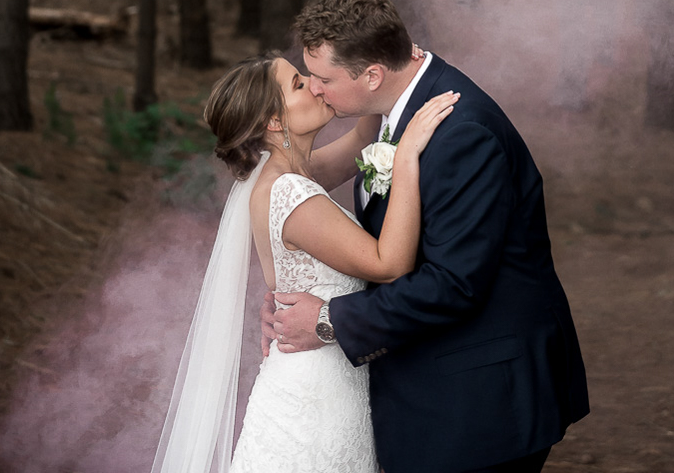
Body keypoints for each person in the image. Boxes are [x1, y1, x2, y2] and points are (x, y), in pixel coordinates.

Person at [267, 0, 590, 473]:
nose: (315, 88)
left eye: (323, 78)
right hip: (437, 384)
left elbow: (454, 283)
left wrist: (329, 319)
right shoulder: (395, 107)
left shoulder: (461, 134)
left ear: (372, 74)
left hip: (481, 397)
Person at [150, 49, 459, 473]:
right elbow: (389, 264)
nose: (315, 85)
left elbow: (361, 137)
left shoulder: (290, 173)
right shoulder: (292, 194)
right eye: (299, 84)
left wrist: (382, 62)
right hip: (314, 397)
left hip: (324, 377)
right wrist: (406, 159)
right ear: (274, 122)